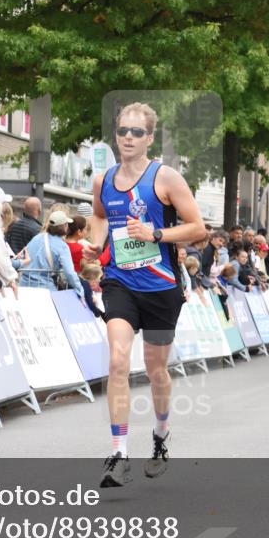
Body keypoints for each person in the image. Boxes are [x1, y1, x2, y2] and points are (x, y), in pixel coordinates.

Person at [82, 102, 205, 487]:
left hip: (162, 287)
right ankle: (119, 454)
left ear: (150, 138)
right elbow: (100, 216)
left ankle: (161, 433)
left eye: (137, 132)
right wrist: (93, 244)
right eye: (122, 131)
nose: (129, 138)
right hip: (120, 282)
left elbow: (198, 228)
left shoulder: (165, 178)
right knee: (118, 361)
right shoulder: (104, 180)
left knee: (156, 370)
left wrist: (154, 235)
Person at [16, 210, 82, 296]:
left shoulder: (37, 237)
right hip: (45, 288)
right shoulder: (62, 246)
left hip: (24, 285)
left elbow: (23, 255)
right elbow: (69, 272)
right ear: (65, 226)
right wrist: (80, 290)